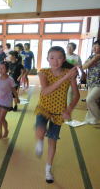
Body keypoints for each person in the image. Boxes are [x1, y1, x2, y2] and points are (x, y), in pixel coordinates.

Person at [34, 46, 80, 183]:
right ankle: (39, 141)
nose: (55, 61)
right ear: (47, 59)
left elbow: (76, 95)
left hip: (59, 112)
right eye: (52, 57)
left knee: (52, 142)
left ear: (64, 59)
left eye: (59, 57)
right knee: (40, 131)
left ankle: (48, 170)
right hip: (44, 108)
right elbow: (45, 91)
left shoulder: (69, 73)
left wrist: (69, 109)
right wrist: (65, 77)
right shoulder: (43, 72)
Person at [0, 61, 19, 139]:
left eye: (2, 68)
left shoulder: (10, 79)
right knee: (0, 118)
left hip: (7, 102)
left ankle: (5, 131)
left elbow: (14, 90)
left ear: (7, 70)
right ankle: (0, 133)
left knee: (1, 118)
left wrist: (17, 98)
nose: (0, 70)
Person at [82, 40, 100, 124]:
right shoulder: (91, 57)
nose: (94, 48)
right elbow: (83, 67)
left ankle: (97, 117)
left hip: (98, 84)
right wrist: (93, 60)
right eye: (93, 46)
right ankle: (91, 119)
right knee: (91, 103)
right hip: (91, 82)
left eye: (96, 46)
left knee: (89, 100)